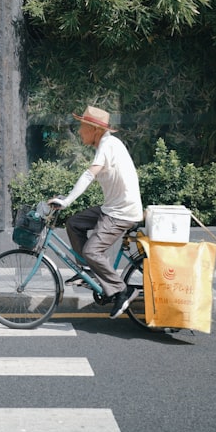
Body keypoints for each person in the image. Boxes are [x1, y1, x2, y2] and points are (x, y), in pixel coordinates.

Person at [48, 105, 143, 319]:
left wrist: (68, 201)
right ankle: (90, 270)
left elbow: (89, 175)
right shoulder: (107, 144)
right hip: (112, 207)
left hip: (122, 212)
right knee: (74, 223)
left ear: (95, 130)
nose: (80, 131)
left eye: (83, 127)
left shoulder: (108, 145)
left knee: (92, 251)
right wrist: (66, 198)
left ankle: (122, 290)